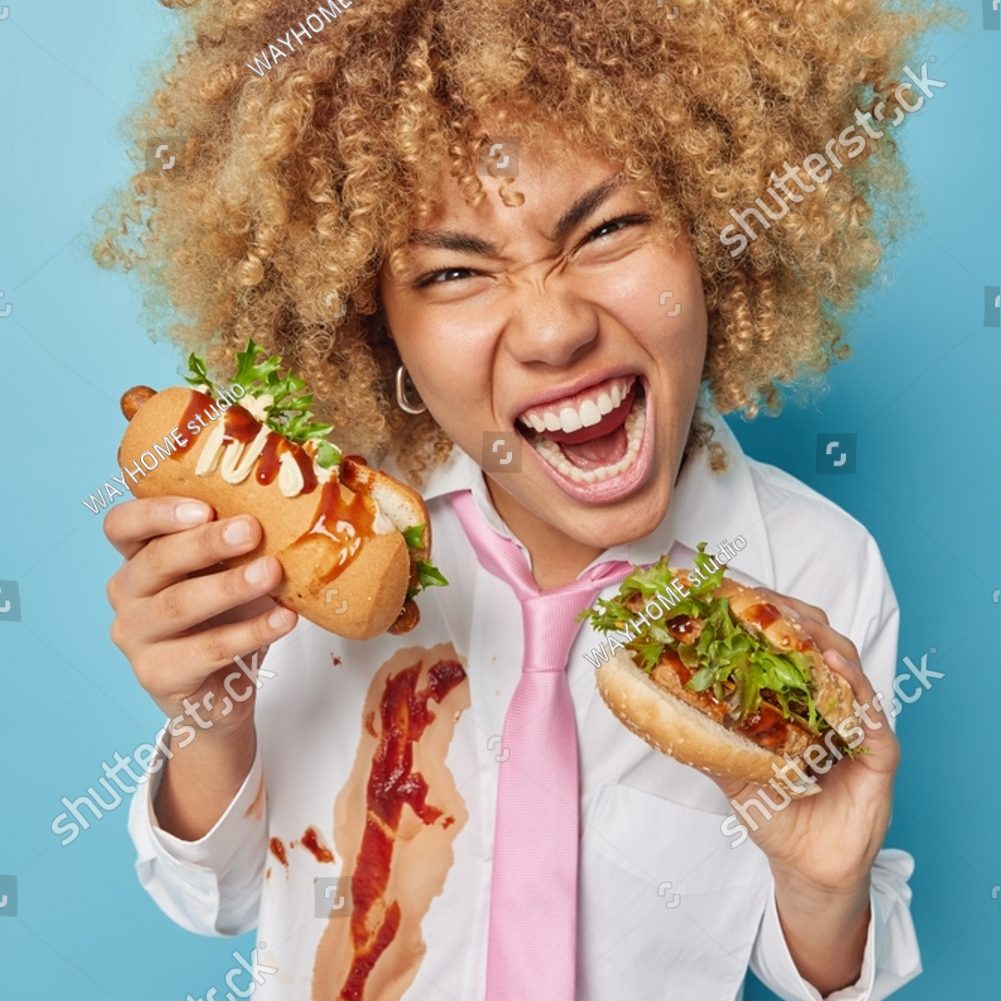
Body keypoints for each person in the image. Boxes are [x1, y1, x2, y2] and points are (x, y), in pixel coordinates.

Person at [95, 1, 937, 998]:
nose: (551, 330)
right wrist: (207, 714)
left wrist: (822, 884)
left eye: (608, 227)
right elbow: (218, 895)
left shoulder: (816, 571)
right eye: (455, 270)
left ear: (716, 235)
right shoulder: (305, 553)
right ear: (374, 324)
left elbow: (812, 966)